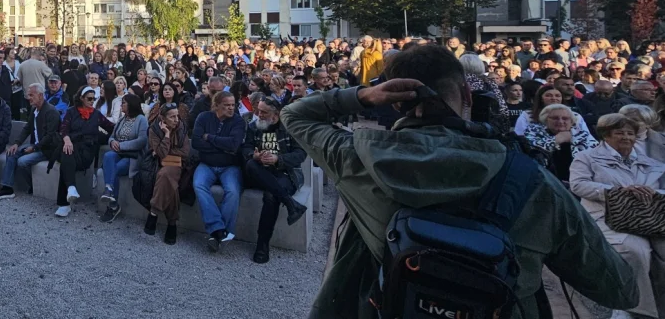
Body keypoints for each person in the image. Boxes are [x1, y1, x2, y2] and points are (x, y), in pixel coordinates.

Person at [280, 42, 637, 319]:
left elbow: (296, 114)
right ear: (468, 95)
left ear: (394, 103)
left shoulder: (358, 158)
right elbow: (620, 291)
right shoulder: (535, 181)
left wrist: (361, 95)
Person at [570, 113, 665, 319]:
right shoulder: (586, 157)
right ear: (606, 135)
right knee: (634, 251)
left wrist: (654, 193)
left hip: (651, 218)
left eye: (630, 133)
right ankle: (636, 308)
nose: (626, 137)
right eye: (619, 132)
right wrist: (616, 191)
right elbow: (578, 185)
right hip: (609, 217)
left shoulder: (647, 159)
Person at [241, 98, 309, 263]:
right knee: (250, 164)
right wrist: (254, 155)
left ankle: (262, 245)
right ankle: (291, 204)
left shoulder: (289, 128)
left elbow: (301, 154)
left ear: (275, 114)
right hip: (259, 172)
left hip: (285, 174)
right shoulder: (253, 127)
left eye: (264, 112)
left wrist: (278, 159)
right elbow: (246, 148)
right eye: (258, 110)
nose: (259, 115)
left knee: (271, 196)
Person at [190, 91, 245, 252]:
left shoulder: (238, 122)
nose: (231, 108)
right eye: (226, 105)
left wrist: (210, 138)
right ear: (216, 105)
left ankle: (218, 234)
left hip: (230, 166)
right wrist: (222, 147)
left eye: (233, 105)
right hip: (206, 164)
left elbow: (234, 145)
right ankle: (218, 229)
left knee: (233, 191)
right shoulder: (204, 117)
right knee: (199, 185)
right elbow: (196, 143)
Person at [52, 88, 114, 217]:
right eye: (89, 98)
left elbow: (111, 128)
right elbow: (63, 128)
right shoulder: (71, 112)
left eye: (94, 99)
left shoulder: (96, 114)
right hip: (72, 146)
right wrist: (67, 139)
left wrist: (101, 139)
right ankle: (70, 191)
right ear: (81, 98)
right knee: (67, 152)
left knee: (66, 159)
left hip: (87, 150)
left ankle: (66, 198)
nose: (92, 101)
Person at [0, 82, 58, 200]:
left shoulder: (51, 111)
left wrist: (34, 148)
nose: (28, 98)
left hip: (47, 149)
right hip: (36, 145)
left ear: (41, 95)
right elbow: (28, 128)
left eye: (31, 95)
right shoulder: (34, 110)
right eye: (28, 95)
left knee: (22, 162)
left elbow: (50, 136)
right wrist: (16, 143)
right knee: (11, 152)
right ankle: (7, 188)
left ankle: (33, 184)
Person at [144, 102, 191, 245]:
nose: (177, 119)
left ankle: (153, 213)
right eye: (172, 117)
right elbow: (161, 153)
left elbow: (185, 153)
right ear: (163, 119)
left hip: (178, 166)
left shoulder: (182, 128)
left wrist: (161, 150)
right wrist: (166, 135)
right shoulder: (154, 129)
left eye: (177, 115)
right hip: (157, 165)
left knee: (165, 175)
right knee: (171, 186)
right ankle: (172, 224)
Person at [98, 93, 148, 222]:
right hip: (117, 153)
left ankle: (112, 206)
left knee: (113, 169)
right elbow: (112, 136)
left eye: (124, 103)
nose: (121, 105)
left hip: (132, 156)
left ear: (131, 105)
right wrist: (112, 142)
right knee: (108, 155)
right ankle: (109, 191)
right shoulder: (122, 119)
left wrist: (121, 145)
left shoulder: (141, 119)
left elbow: (142, 141)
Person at [523, 103, 597, 182]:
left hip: (582, 180)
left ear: (572, 122)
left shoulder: (583, 135)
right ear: (545, 120)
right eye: (555, 118)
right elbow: (532, 155)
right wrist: (555, 140)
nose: (561, 121)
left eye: (565, 118)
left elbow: (596, 158)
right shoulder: (534, 132)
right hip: (546, 181)